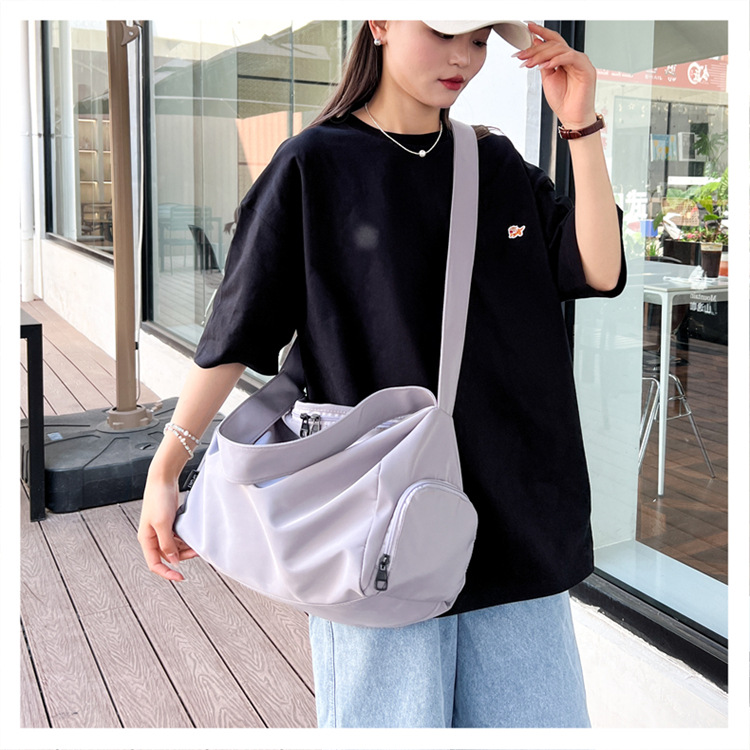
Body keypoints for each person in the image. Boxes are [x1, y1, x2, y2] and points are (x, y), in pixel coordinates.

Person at [138, 19, 625, 728]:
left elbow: (598, 269)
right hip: (378, 523)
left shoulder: (494, 163)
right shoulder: (313, 164)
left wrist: (579, 126)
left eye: (479, 40)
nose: (462, 57)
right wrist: (167, 467)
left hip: (518, 518)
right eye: (443, 32)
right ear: (381, 23)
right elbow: (237, 330)